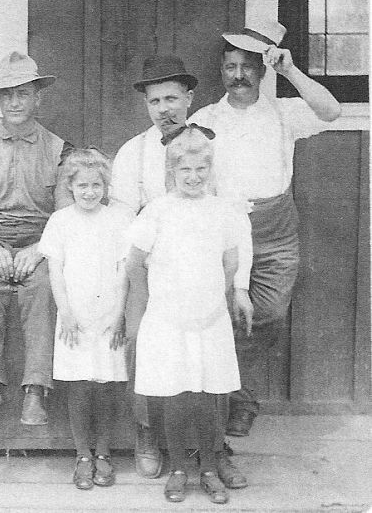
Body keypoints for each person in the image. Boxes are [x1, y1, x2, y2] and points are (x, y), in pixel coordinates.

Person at [189, 20, 341, 437]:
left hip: (275, 229)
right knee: (217, 313)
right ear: (221, 71)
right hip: (223, 232)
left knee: (269, 313)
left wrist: (290, 72)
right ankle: (227, 402)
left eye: (246, 67)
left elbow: (331, 111)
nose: (238, 76)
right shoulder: (205, 118)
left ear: (261, 70)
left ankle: (237, 393)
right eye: (229, 67)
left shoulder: (283, 111)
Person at [110, 54, 252, 488]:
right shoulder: (134, 152)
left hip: (207, 266)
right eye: (155, 101)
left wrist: (238, 286)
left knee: (220, 339)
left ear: (189, 98)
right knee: (137, 337)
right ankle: (150, 433)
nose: (164, 108)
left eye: (172, 98)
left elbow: (236, 221)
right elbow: (123, 224)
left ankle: (214, 448)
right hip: (153, 269)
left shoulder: (214, 147)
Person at [0, 52, 72, 425]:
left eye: (23, 93)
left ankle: (35, 391)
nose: (15, 102)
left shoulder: (57, 149)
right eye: (6, 95)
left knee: (44, 288)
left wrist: (39, 250)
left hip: (41, 241)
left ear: (38, 97)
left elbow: (66, 218)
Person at [127, 129, 244, 505]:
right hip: (168, 319)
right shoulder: (158, 210)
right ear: (171, 173)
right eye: (185, 170)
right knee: (176, 395)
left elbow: (230, 262)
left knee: (209, 394)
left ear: (210, 170)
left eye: (200, 169)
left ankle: (209, 467)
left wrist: (212, 299)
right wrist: (158, 304)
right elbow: (134, 264)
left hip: (209, 317)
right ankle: (179, 467)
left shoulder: (221, 210)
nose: (193, 176)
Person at [39, 148, 130, 490]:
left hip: (108, 313)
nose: (89, 192)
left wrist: (120, 313)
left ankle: (104, 452)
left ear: (105, 187)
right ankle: (81, 454)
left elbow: (124, 271)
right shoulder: (61, 221)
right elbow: (56, 273)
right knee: (78, 385)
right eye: (82, 186)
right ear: (70, 186)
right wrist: (66, 312)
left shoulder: (120, 219)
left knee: (105, 384)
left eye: (96, 185)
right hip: (75, 315)